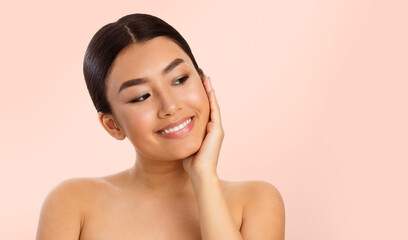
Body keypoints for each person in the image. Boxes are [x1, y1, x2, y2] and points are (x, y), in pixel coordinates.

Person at [36, 13, 285, 239]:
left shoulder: (256, 201)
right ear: (112, 125)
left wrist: (203, 178)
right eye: (141, 96)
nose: (170, 106)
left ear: (203, 82)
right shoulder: (72, 203)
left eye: (179, 79)